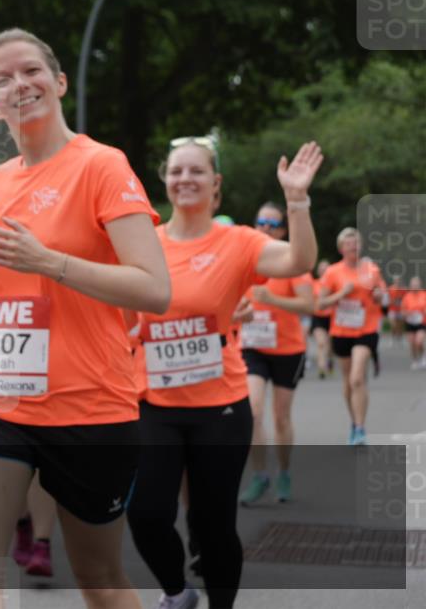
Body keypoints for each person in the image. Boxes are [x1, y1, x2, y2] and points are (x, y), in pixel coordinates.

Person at [0, 28, 171, 609]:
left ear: (57, 82)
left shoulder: (102, 166)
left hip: (89, 404)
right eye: (1, 79)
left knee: (100, 580)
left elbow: (154, 289)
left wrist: (50, 263)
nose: (18, 85)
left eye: (29, 71)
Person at [126, 137, 322, 609]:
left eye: (196, 172)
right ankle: (177, 590)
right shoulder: (142, 243)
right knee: (146, 514)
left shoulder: (237, 242)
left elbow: (298, 260)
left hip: (221, 406)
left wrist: (296, 199)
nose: (185, 179)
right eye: (176, 171)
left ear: (215, 185)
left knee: (214, 527)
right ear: (164, 179)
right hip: (153, 402)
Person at [237, 202, 315, 506]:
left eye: (273, 223)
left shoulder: (291, 260)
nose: (266, 228)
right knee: (253, 411)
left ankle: (283, 470)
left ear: (282, 230)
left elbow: (310, 306)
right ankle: (260, 475)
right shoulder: (245, 259)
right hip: (253, 346)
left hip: (288, 349)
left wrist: (272, 299)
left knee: (281, 417)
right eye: (262, 222)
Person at [317, 228, 386, 446]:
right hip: (341, 331)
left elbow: (383, 297)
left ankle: (360, 428)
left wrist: (378, 295)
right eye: (348, 244)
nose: (353, 247)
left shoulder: (371, 270)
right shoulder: (332, 273)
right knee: (348, 382)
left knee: (357, 377)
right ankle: (354, 422)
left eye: (356, 243)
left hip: (366, 329)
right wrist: (340, 294)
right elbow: (320, 304)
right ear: (341, 248)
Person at [310, 260, 334, 378]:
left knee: (329, 346)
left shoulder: (334, 284)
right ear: (318, 271)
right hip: (318, 317)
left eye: (326, 268)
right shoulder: (314, 284)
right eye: (322, 268)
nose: (324, 271)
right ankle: (322, 368)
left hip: (332, 318)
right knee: (321, 343)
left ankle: (329, 360)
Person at [401, 276, 426, 370]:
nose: (415, 285)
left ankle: (423, 356)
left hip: (421, 322)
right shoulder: (407, 297)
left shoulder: (424, 295)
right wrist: (407, 313)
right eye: (413, 284)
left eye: (416, 283)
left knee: (419, 342)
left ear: (420, 284)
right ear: (410, 285)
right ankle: (415, 360)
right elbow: (402, 312)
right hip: (410, 322)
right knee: (412, 343)